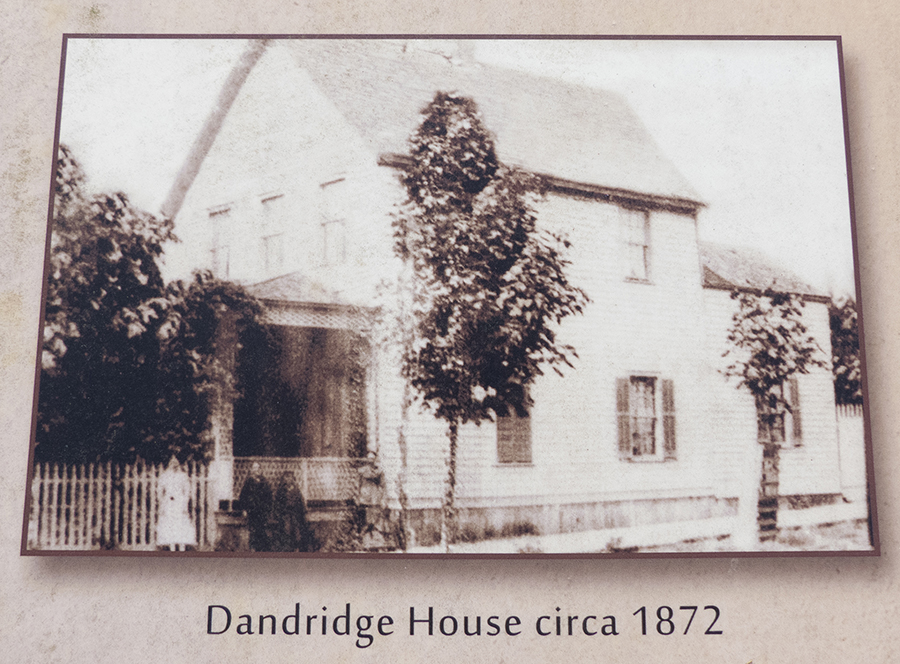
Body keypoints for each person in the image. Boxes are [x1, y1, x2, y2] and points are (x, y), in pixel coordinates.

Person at [156, 456, 196, 552]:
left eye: (176, 464)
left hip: (180, 504)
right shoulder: (164, 476)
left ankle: (182, 548)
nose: (174, 466)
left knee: (180, 526)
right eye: (172, 463)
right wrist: (162, 504)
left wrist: (185, 504)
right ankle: (172, 548)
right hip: (168, 504)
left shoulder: (183, 476)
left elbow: (187, 491)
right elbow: (159, 491)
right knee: (170, 525)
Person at [270, 471, 317, 552]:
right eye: (286, 478)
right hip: (285, 516)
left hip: (295, 516)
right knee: (286, 532)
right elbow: (277, 504)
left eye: (290, 478)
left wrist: (304, 513)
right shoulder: (281, 491)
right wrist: (277, 514)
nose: (288, 480)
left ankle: (296, 549)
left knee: (297, 532)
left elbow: (301, 503)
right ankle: (287, 550)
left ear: (293, 479)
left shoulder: (296, 490)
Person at [238, 462, 273, 552]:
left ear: (261, 470)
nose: (256, 470)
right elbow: (243, 496)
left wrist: (268, 509)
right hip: (252, 510)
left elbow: (269, 496)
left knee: (262, 528)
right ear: (251, 470)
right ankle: (253, 548)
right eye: (254, 468)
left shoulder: (264, 481)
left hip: (262, 510)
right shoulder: (248, 481)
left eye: (257, 468)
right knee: (253, 529)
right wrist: (244, 509)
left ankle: (262, 548)